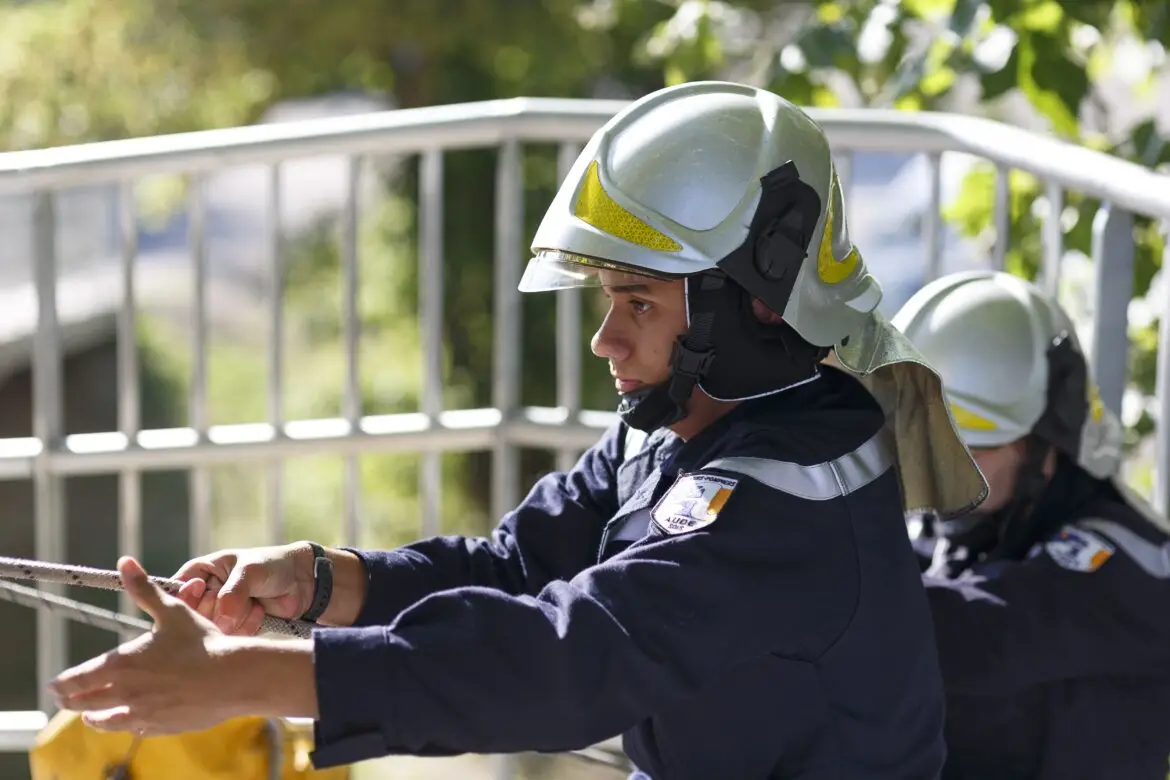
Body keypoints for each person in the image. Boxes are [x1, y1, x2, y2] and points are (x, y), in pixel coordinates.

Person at [47, 81, 986, 779]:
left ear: (756, 303)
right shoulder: (686, 424)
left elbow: (568, 660)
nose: (604, 337)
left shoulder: (788, 496)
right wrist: (323, 581)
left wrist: (247, 677)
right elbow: (515, 565)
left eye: (638, 303)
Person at [893, 269, 1170, 780]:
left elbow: (978, 632)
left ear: (1044, 443)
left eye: (968, 448)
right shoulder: (967, 520)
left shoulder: (1126, 563)